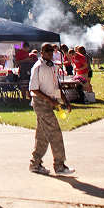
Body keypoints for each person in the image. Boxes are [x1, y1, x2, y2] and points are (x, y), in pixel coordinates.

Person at [28, 43, 74, 176]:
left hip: (50, 101)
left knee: (42, 135)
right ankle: (59, 166)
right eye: (47, 51)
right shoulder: (38, 67)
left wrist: (64, 100)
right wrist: (50, 100)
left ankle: (35, 163)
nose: (50, 53)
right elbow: (33, 89)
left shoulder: (53, 66)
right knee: (55, 132)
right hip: (41, 103)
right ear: (41, 53)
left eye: (52, 51)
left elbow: (56, 84)